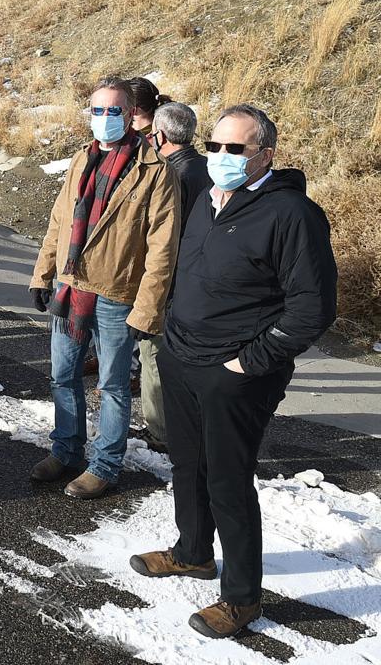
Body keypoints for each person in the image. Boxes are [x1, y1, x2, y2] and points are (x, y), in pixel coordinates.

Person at [132, 104, 337, 638]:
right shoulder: (205, 197)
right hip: (182, 356)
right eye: (215, 146)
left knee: (227, 481)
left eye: (235, 149)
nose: (221, 157)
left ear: (264, 154)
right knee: (186, 465)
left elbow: (312, 307)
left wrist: (250, 360)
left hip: (237, 372)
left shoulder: (292, 214)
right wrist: (170, 334)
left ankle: (243, 599)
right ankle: (193, 552)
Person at [28, 76, 179, 499]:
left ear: (132, 115)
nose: (105, 118)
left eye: (114, 110)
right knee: (62, 375)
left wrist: (149, 310)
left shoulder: (155, 172)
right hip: (70, 285)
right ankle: (66, 451)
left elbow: (161, 249)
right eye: (98, 110)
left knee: (112, 386)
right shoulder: (82, 159)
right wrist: (43, 272)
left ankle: (105, 465)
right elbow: (60, 220)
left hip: (116, 294)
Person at [133, 101, 211, 449]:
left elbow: (163, 238)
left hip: (172, 282)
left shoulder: (169, 175)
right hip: (204, 284)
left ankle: (161, 432)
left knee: (156, 358)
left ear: (159, 136)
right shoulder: (208, 169)